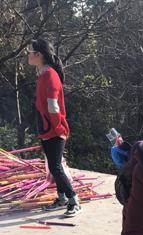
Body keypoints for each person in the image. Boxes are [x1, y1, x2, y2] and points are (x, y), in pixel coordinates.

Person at [27, 38, 81, 217]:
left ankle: (73, 200)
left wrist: (56, 128)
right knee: (53, 166)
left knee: (56, 166)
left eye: (30, 52)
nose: (28, 55)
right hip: (47, 128)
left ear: (38, 54)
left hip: (54, 129)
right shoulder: (42, 74)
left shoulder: (50, 75)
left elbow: (53, 106)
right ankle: (62, 198)